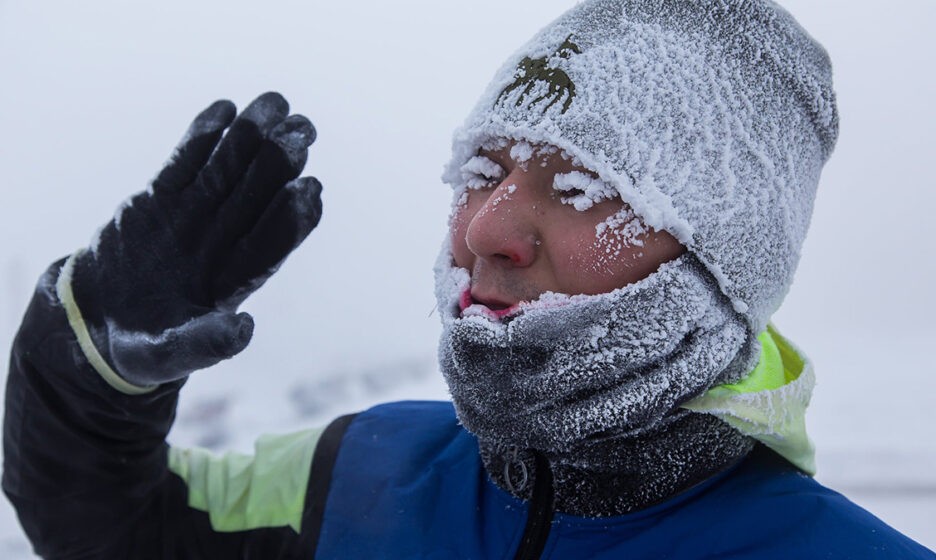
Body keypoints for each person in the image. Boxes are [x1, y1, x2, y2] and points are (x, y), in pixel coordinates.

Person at [3, 0, 933, 558]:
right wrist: (94, 357)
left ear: (726, 255)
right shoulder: (353, 473)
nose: (486, 230)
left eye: (580, 184)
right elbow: (120, 529)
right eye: (481, 171)